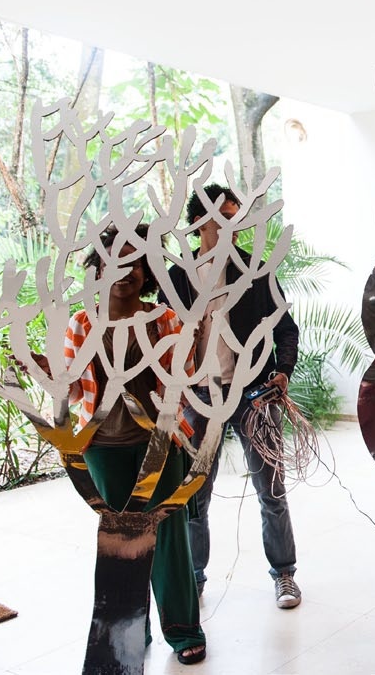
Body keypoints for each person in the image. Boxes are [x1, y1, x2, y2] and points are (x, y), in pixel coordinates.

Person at [48, 224, 207, 665]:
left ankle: (184, 631)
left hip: (160, 443)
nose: (124, 271)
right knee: (122, 541)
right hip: (103, 446)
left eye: (135, 262)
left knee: (169, 537)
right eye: (114, 261)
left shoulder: (165, 320)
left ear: (147, 270)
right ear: (98, 269)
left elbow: (182, 382)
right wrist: (48, 372)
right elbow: (74, 392)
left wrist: (192, 340)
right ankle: (129, 633)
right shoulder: (83, 323)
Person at [160, 184, 302, 609]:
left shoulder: (255, 270)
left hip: (253, 394)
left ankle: (285, 575)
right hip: (198, 398)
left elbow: (286, 329)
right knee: (195, 497)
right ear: (199, 222)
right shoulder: (177, 277)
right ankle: (193, 580)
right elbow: (160, 336)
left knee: (271, 490)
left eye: (237, 217)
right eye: (224, 216)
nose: (233, 225)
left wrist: (282, 371)